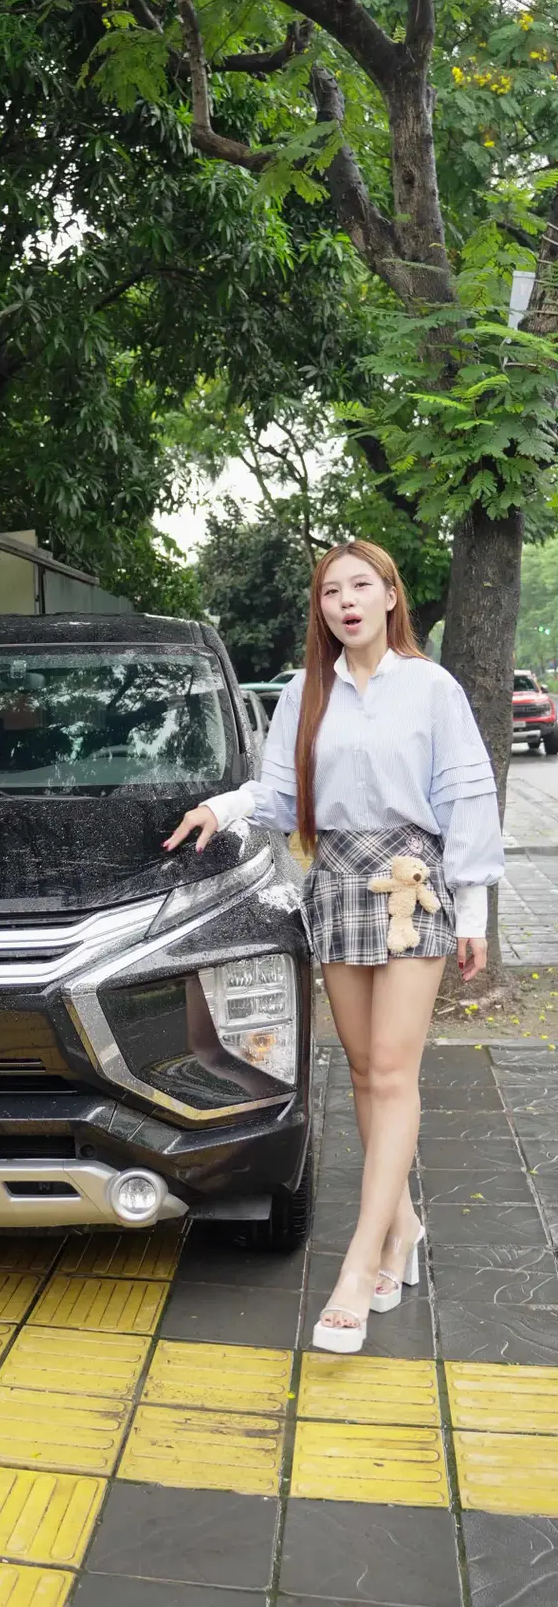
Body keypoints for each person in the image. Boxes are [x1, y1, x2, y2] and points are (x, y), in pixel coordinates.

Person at [163, 540, 504, 1354]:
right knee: (359, 1071)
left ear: (390, 596)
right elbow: (281, 795)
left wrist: (474, 911)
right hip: (339, 878)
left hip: (413, 880)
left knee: (391, 1070)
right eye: (330, 592)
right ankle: (403, 1228)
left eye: (361, 586)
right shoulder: (305, 691)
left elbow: (466, 791)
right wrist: (223, 808)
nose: (345, 602)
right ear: (321, 609)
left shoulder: (431, 687)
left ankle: (360, 1262)